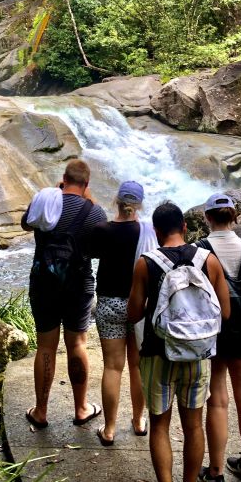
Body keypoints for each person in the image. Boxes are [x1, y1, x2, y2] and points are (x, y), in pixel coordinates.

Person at [128, 202, 231, 482]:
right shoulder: (208, 260)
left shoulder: (146, 263)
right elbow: (226, 312)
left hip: (158, 355)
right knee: (194, 425)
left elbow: (134, 313)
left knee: (160, 426)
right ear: (185, 227)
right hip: (198, 356)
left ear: (156, 231)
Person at [21, 159, 107, 428]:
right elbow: (98, 250)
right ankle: (81, 408)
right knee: (77, 344)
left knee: (45, 345)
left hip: (43, 283)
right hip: (78, 285)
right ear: (87, 184)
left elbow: (26, 224)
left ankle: (41, 411)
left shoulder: (45, 202)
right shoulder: (95, 212)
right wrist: (89, 200)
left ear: (63, 179)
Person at [196, 194, 241, 482]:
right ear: (234, 217)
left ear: (207, 218)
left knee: (218, 398)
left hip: (216, 329)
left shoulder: (199, 250)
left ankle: (216, 471)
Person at [91, 181, 158, 445]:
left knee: (112, 366)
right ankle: (139, 421)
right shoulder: (148, 231)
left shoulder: (102, 229)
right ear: (140, 204)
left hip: (109, 304)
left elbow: (90, 253)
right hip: (139, 305)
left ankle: (109, 429)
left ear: (116, 201)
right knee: (138, 365)